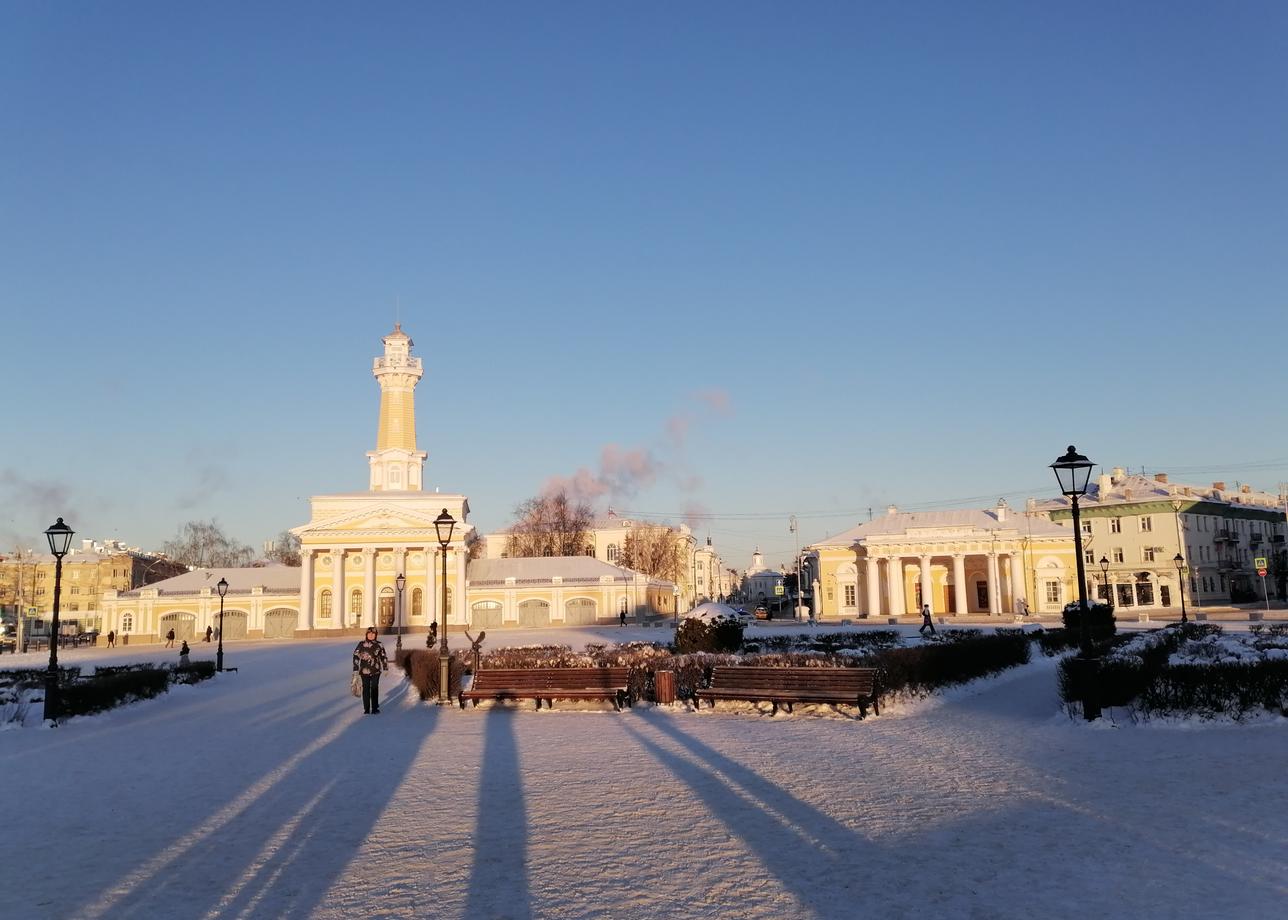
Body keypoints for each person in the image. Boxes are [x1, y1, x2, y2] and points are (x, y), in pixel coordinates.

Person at [353, 627, 389, 714]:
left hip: (375, 670)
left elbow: (383, 656)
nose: (371, 635)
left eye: (373, 633)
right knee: (366, 689)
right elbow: (356, 656)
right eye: (369, 633)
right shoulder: (361, 644)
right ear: (366, 634)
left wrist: (385, 667)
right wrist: (355, 669)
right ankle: (366, 708)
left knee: (374, 688)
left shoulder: (379, 644)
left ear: (376, 635)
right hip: (364, 671)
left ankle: (374, 708)